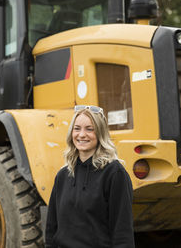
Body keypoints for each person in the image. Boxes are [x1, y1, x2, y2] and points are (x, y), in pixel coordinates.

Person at [45, 105, 134, 248]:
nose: (81, 135)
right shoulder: (63, 175)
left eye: (89, 129)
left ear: (100, 133)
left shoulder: (114, 173)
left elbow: (122, 232)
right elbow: (51, 229)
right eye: (77, 128)